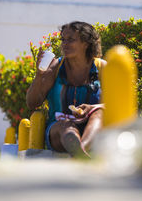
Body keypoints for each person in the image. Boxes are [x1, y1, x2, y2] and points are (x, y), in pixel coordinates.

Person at [26, 21, 106, 158]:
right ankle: (81, 155)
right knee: (65, 125)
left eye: (71, 40)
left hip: (92, 129)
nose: (64, 44)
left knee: (99, 113)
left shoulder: (102, 68)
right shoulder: (55, 67)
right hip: (58, 131)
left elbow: (116, 105)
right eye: (63, 39)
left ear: (86, 43)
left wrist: (93, 107)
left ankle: (80, 152)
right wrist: (39, 76)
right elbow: (32, 103)